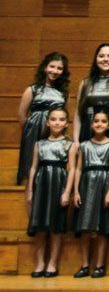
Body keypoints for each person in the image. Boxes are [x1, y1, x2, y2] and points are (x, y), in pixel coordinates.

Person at [25, 107, 77, 278]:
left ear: (66, 123)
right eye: (53, 119)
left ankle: (52, 263)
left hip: (59, 184)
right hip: (42, 185)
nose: (57, 122)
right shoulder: (39, 144)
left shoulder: (70, 145)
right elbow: (33, 168)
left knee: (56, 227)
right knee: (40, 226)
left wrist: (67, 192)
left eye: (61, 119)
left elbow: (72, 170)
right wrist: (30, 190)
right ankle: (40, 263)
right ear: (47, 122)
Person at [72, 109, 109, 278]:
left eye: (103, 121)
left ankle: (99, 265)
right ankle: (85, 264)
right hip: (86, 184)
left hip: (105, 183)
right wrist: (76, 191)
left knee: (102, 228)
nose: (99, 124)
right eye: (96, 121)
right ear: (91, 124)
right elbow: (78, 168)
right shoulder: (84, 145)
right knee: (85, 226)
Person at [18, 53, 70, 186]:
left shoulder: (64, 93)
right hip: (33, 131)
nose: (55, 71)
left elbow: (65, 114)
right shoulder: (32, 90)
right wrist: (30, 131)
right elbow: (22, 115)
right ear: (45, 67)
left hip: (55, 130)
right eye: (52, 66)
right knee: (31, 164)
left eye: (59, 68)